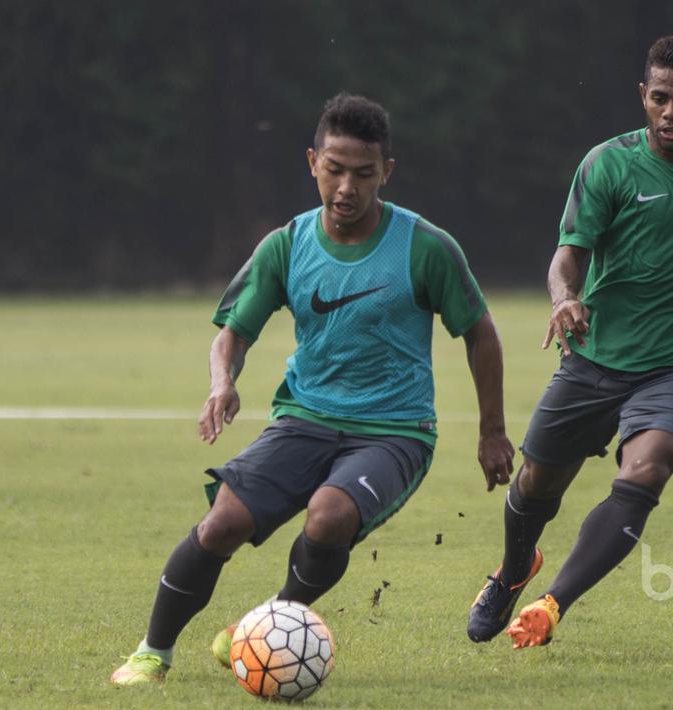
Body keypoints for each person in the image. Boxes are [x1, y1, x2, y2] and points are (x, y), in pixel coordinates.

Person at [111, 92, 514, 685]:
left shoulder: (426, 246)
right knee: (222, 522)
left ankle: (270, 622)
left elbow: (480, 334)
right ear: (312, 162)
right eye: (334, 169)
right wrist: (222, 384)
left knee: (328, 516)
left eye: (363, 173)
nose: (346, 187)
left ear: (387, 173)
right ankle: (152, 652)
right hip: (304, 418)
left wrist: (492, 431)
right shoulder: (286, 245)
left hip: (394, 431)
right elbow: (232, 334)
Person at [466, 35, 673, 649]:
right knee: (537, 485)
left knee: (648, 471)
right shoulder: (609, 165)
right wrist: (564, 297)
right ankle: (515, 571)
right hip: (593, 357)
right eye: (659, 99)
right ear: (642, 98)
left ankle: (551, 605)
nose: (671, 112)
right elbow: (567, 256)